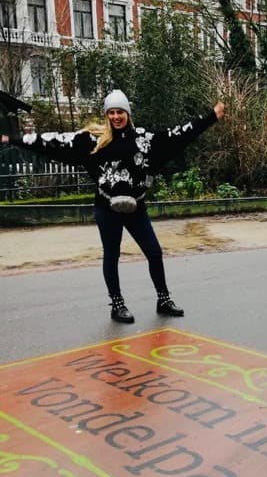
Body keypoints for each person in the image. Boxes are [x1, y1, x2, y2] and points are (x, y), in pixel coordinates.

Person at [1, 89, 225, 323]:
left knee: (154, 252)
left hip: (136, 207)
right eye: (112, 113)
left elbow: (178, 135)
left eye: (120, 112)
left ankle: (163, 299)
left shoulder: (144, 139)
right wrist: (11, 139)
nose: (116, 117)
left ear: (128, 113)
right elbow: (52, 141)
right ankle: (117, 305)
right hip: (107, 207)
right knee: (112, 255)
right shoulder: (92, 140)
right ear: (107, 115)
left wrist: (211, 116)